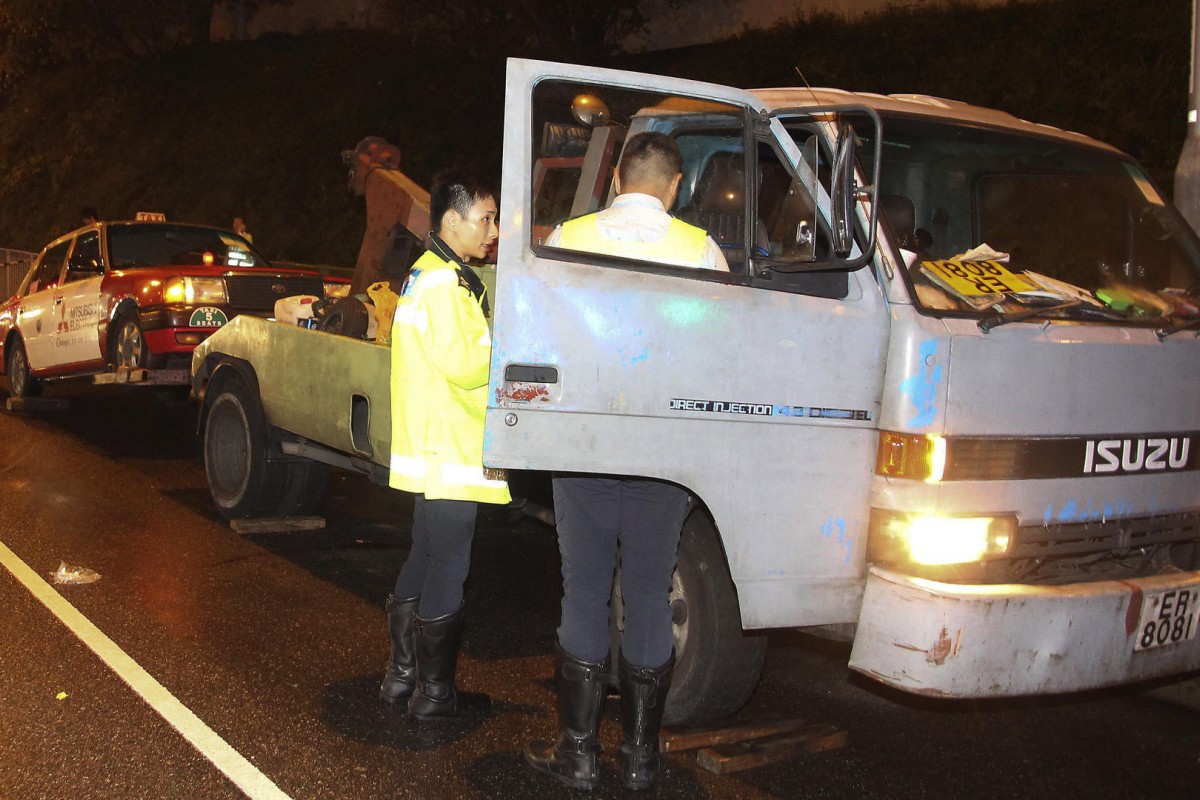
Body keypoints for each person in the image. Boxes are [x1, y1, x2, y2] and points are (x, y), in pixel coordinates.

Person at [525, 132, 726, 792]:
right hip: (663, 453)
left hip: (583, 443)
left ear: (615, 178)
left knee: (582, 587)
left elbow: (538, 336)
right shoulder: (700, 250)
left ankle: (578, 753)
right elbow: (720, 350)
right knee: (646, 591)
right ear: (676, 187)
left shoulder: (568, 238)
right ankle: (641, 757)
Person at [379, 169, 510, 721]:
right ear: (452, 220)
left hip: (428, 447)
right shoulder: (447, 284)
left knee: (425, 555)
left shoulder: (424, 273)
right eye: (487, 218)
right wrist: (510, 345)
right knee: (449, 564)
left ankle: (401, 678)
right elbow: (465, 363)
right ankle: (436, 694)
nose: (494, 231)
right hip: (452, 449)